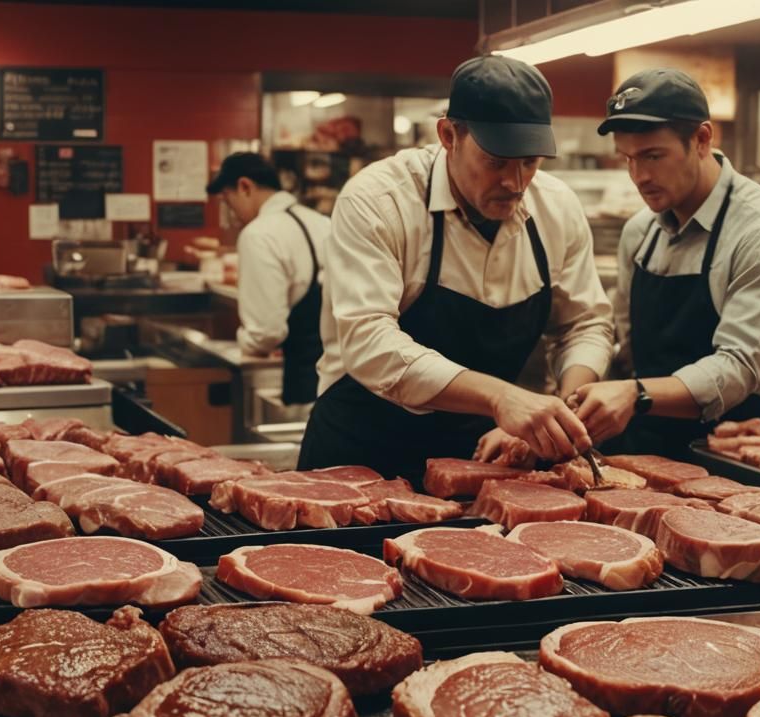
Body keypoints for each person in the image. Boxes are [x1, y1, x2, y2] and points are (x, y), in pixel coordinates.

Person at [297, 55, 615, 485]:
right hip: (362, 455)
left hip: (481, 461)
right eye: (496, 161)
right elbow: (368, 342)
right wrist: (501, 398)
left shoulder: (556, 207)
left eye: (530, 161)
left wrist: (561, 409)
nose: (516, 182)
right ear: (449, 135)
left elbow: (584, 323)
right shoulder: (379, 200)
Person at [569, 68, 760, 459]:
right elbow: (627, 349)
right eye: (628, 159)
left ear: (701, 139)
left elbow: (737, 368)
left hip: (741, 446)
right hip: (648, 440)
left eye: (653, 156)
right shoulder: (640, 232)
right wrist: (568, 406)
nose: (639, 176)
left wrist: (635, 394)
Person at [207, 152, 331, 404]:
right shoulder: (322, 222)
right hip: (341, 380)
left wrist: (245, 341)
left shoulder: (258, 235)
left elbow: (265, 333)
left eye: (228, 201)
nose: (232, 213)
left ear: (245, 187)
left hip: (304, 383)